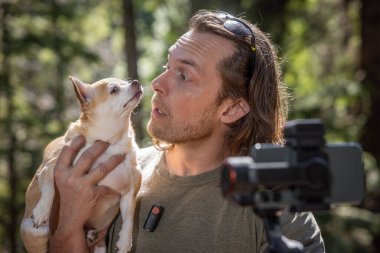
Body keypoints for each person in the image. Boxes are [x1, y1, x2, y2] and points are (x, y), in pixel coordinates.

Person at [49, 10, 325, 253]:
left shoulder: (277, 214)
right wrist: (69, 226)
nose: (157, 83)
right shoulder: (114, 173)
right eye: (167, 66)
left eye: (183, 75)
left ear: (231, 109)